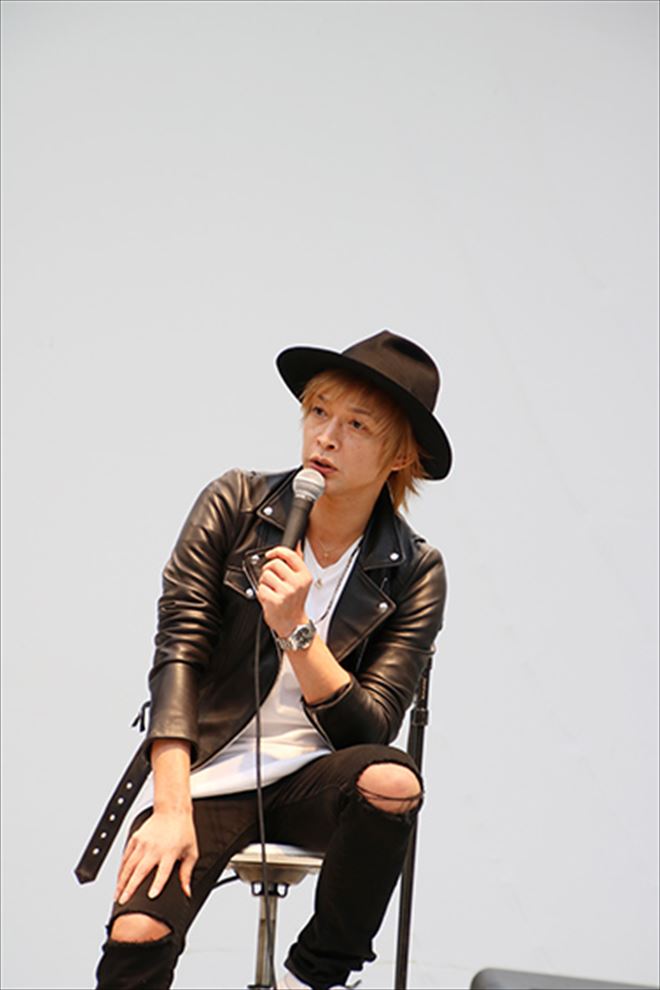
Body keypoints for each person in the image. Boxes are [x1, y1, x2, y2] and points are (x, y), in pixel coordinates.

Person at [77, 329, 452, 990]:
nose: (325, 438)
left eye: (356, 425)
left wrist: (297, 632)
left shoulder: (414, 570)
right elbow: (178, 655)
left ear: (400, 455)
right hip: (209, 774)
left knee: (393, 783)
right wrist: (171, 809)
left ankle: (321, 972)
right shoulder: (235, 504)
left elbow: (370, 729)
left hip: (316, 781)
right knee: (138, 933)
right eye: (317, 412)